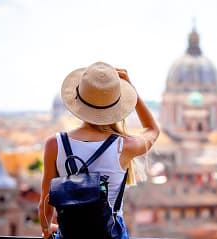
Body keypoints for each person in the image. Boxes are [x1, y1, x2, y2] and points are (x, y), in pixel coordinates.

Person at [38, 61, 160, 238]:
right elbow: (152, 130)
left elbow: (45, 204)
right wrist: (133, 93)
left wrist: (46, 229)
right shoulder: (123, 146)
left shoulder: (54, 144)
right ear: (117, 105)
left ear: (78, 100)